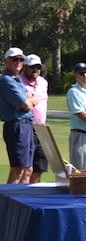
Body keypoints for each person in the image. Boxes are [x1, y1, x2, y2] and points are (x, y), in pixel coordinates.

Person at [0, 47, 39, 183]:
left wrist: (29, 100)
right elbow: (27, 104)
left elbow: (34, 98)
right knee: (18, 169)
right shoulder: (6, 80)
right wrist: (28, 100)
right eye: (15, 59)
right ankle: (6, 203)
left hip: (26, 125)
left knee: (28, 169)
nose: (19, 62)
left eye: (21, 59)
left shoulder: (17, 80)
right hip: (16, 126)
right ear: (7, 61)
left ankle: (21, 203)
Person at [20, 54, 48, 183]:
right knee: (26, 168)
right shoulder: (18, 81)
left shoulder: (43, 82)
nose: (35, 70)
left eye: (38, 67)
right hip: (26, 127)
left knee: (39, 166)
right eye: (32, 67)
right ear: (25, 67)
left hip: (41, 128)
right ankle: (21, 197)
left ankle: (34, 193)